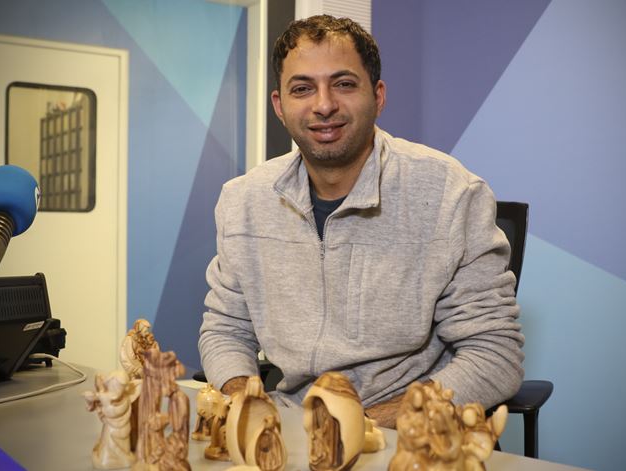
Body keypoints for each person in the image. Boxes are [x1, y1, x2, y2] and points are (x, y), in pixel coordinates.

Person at [198, 14, 524, 428]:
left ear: (378, 96)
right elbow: (226, 328)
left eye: (344, 84)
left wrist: (368, 426)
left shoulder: (451, 194)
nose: (323, 105)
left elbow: (495, 355)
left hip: (404, 430)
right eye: (302, 89)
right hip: (291, 428)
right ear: (280, 106)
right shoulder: (243, 200)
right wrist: (246, 404)